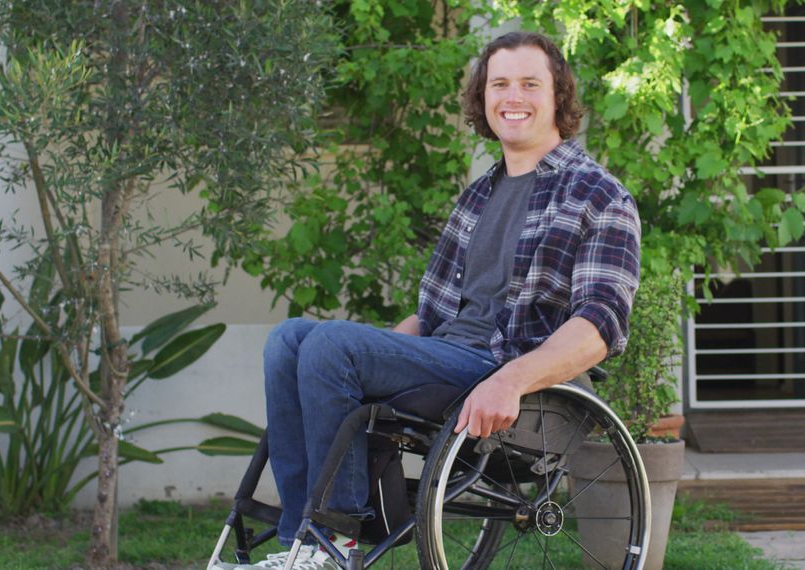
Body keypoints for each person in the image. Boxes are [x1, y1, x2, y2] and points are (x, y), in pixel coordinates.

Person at [220, 31, 641, 570]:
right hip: (449, 356)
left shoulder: (597, 194)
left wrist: (511, 379)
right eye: (500, 84)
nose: (513, 97)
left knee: (329, 344)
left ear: (558, 96)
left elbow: (599, 325)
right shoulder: (479, 194)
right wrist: (369, 350)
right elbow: (434, 313)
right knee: (290, 341)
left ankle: (333, 543)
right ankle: (300, 543)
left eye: (530, 84)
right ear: (482, 100)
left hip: (511, 371)